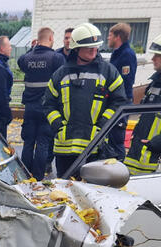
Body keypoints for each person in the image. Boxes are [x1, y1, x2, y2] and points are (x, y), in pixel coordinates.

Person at [43, 23, 127, 178]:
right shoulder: (60, 74)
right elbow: (48, 104)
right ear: (76, 48)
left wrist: (102, 125)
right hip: (64, 148)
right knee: (66, 191)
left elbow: (120, 102)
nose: (94, 50)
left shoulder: (108, 72)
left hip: (94, 147)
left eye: (96, 47)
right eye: (89, 47)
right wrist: (58, 126)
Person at [17, 27, 65, 179]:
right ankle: (37, 177)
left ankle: (25, 173)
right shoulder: (56, 58)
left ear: (37, 39)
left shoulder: (26, 58)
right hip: (47, 109)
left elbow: (21, 61)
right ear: (51, 39)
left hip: (30, 108)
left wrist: (32, 48)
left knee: (28, 142)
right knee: (43, 143)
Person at [124, 34, 161, 174]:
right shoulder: (154, 84)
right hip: (139, 155)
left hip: (154, 160)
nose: (152, 59)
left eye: (157, 55)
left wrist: (156, 144)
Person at [106, 23, 137, 159]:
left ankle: (118, 167)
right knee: (111, 138)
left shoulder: (127, 55)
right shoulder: (117, 54)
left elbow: (126, 81)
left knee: (117, 138)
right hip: (114, 102)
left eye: (110, 35)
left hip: (121, 103)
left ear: (117, 37)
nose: (108, 38)